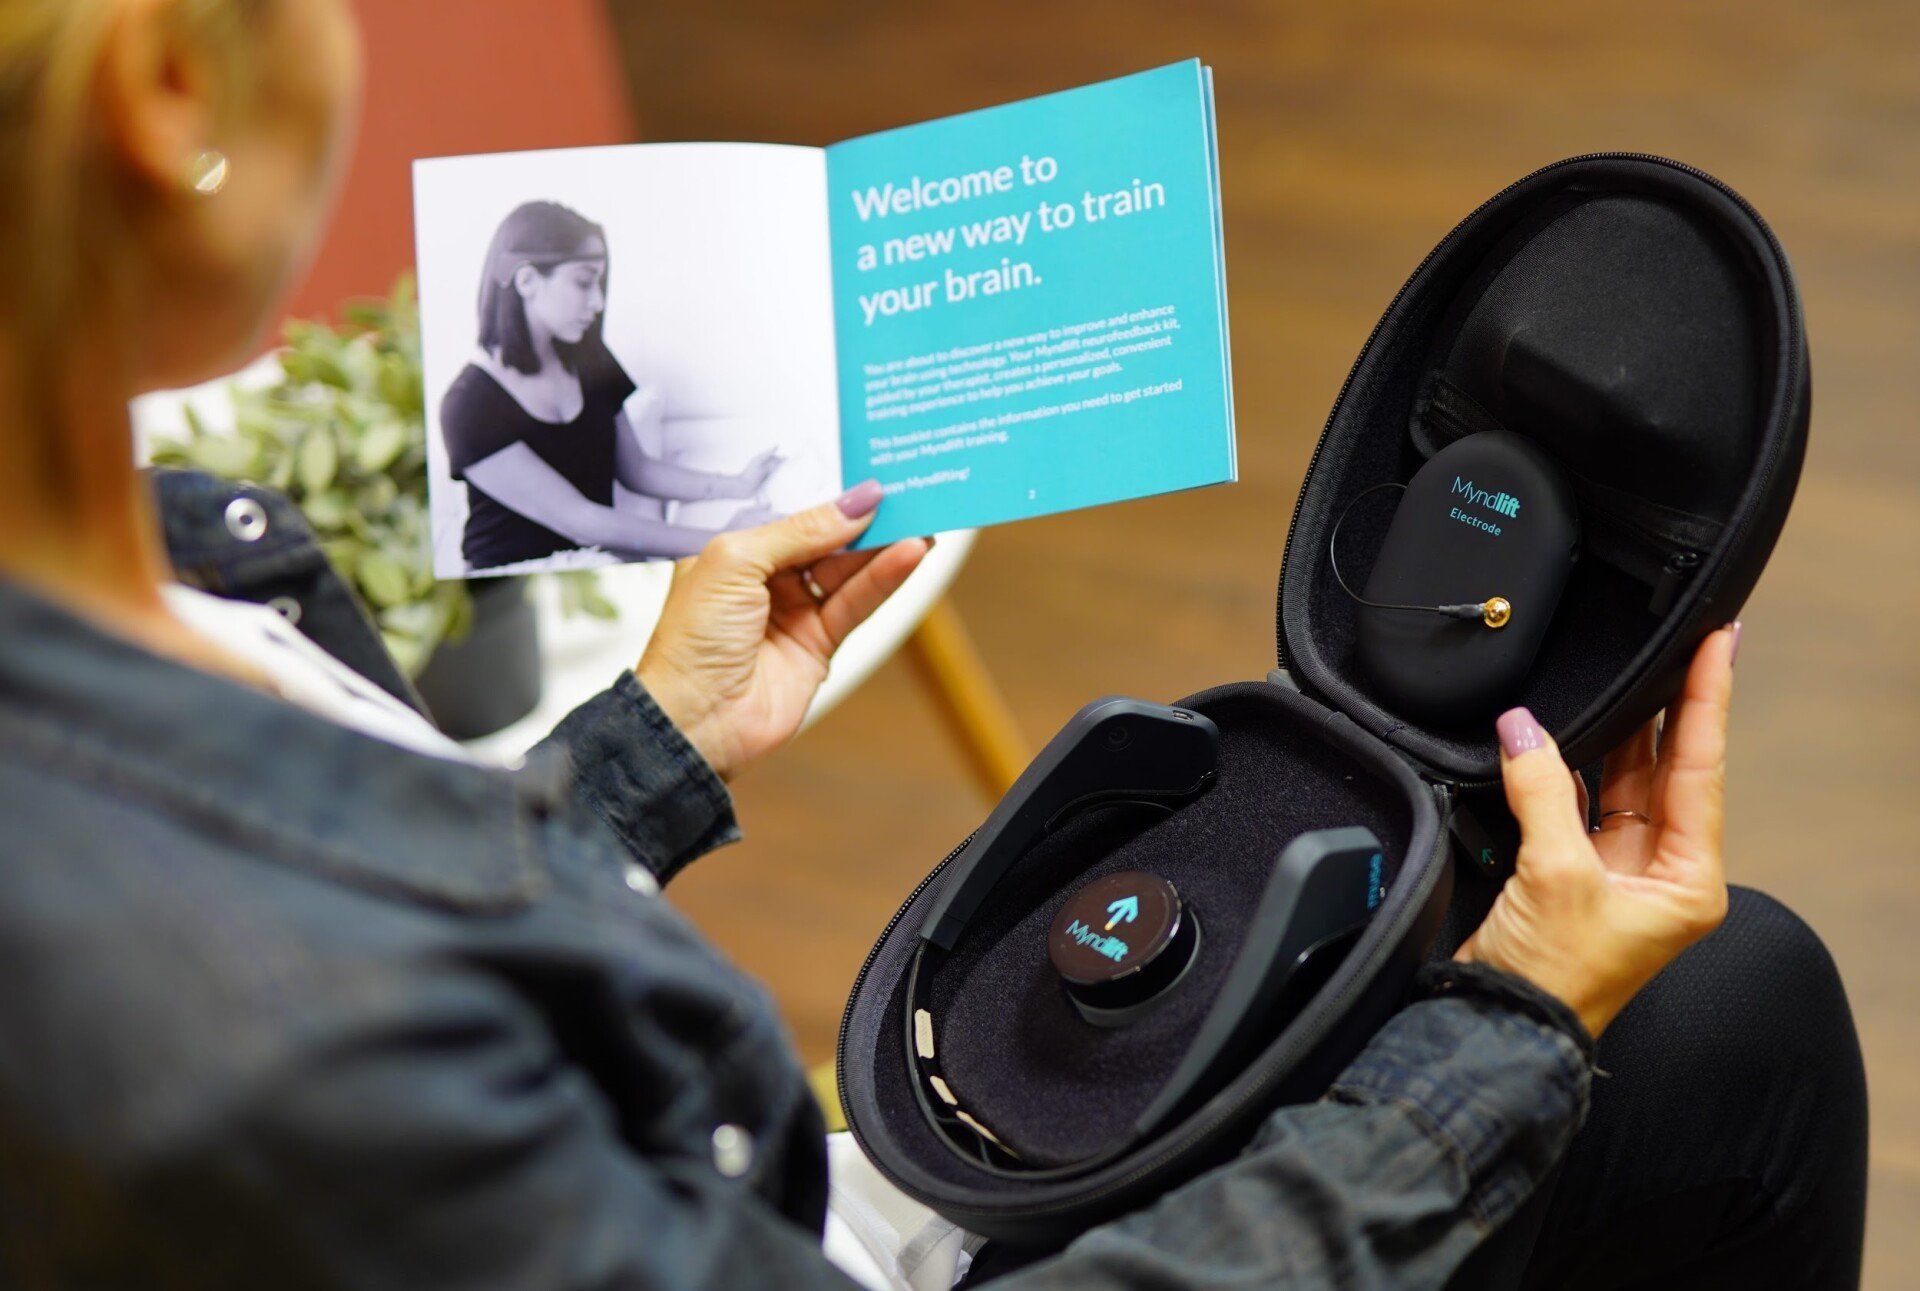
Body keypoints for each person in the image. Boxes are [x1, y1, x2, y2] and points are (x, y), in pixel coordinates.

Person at [0, 2, 1865, 1288]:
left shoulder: (158, 578)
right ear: (170, 91)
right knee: (1735, 1019)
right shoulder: (210, 1042)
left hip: (739, 1184)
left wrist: (646, 750)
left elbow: (367, 929)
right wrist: (1495, 1047)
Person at [441, 200, 782, 572]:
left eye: (600, 285)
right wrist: (719, 542)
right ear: (526, 281)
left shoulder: (587, 358)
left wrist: (737, 484)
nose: (598, 302)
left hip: (594, 565)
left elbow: (637, 470)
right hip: (513, 580)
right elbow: (583, 521)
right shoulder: (467, 405)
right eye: (584, 283)